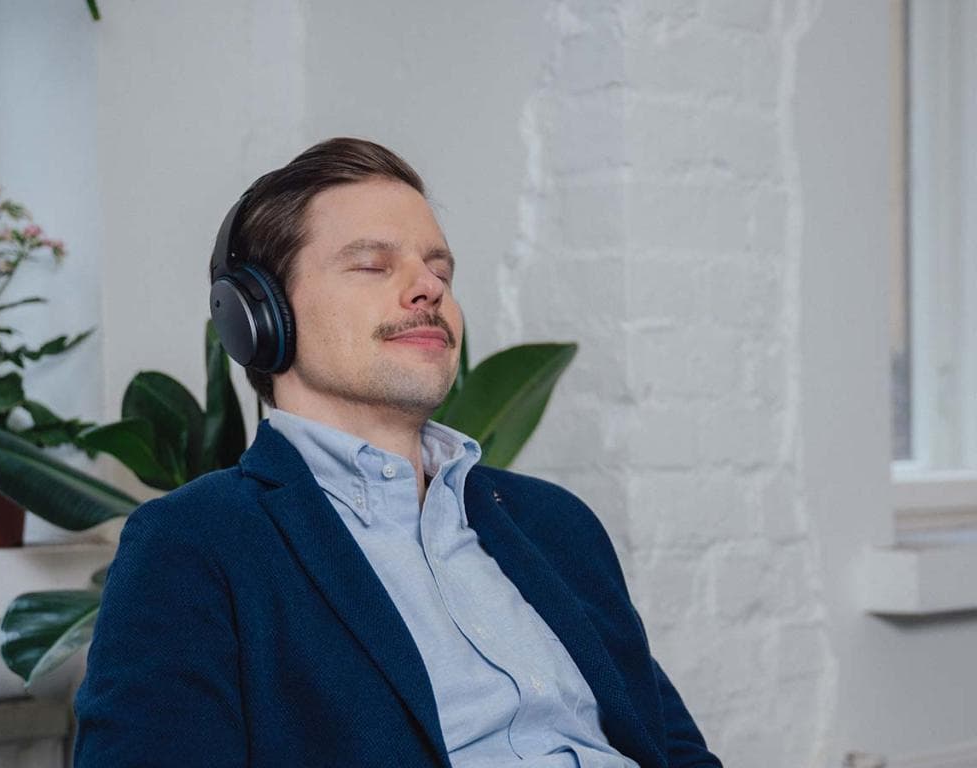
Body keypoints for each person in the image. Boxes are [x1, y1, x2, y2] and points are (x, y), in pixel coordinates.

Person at [73, 137, 722, 768]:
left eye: (440, 270)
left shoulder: (555, 523)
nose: (428, 288)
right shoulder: (195, 543)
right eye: (372, 265)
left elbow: (677, 751)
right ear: (257, 316)